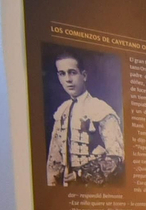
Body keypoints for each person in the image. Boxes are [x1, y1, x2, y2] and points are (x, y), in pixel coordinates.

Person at [45, 51, 124, 186]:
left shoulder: (101, 109)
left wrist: (80, 175)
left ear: (84, 75)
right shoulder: (62, 110)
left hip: (94, 190)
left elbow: (116, 157)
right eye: (62, 74)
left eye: (72, 72)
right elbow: (55, 158)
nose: (68, 79)